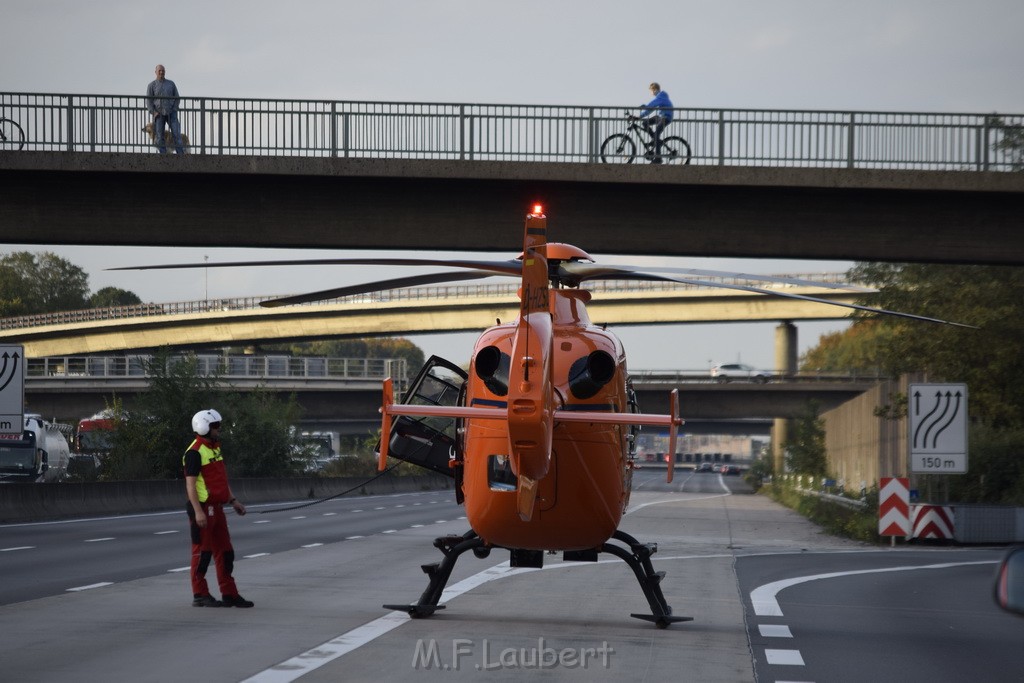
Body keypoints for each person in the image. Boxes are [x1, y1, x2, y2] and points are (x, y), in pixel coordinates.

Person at [184, 408, 254, 608]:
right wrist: (198, 511)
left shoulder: (214, 448)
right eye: (215, 426)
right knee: (202, 553)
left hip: (218, 508)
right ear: (204, 427)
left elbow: (221, 480)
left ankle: (229, 593)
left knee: (225, 553)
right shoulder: (194, 453)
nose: (219, 429)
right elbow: (190, 485)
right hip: (203, 509)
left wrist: (234, 501)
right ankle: (200, 594)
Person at [146, 64, 185, 154]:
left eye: (163, 70)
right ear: (155, 72)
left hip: (171, 112)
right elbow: (149, 101)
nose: (161, 72)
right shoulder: (151, 85)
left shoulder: (171, 84)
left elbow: (177, 97)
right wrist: (153, 112)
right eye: (159, 71)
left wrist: (174, 109)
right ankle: (163, 155)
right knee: (159, 136)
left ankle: (181, 155)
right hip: (158, 113)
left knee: (176, 134)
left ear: (165, 72)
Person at [637, 82, 674, 164]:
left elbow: (652, 105)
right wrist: (642, 114)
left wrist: (640, 115)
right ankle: (654, 140)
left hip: (666, 117)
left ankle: (658, 158)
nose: (651, 93)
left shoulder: (661, 96)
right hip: (661, 117)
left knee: (657, 135)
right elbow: (651, 108)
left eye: (651, 91)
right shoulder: (660, 97)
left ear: (654, 90)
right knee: (645, 123)